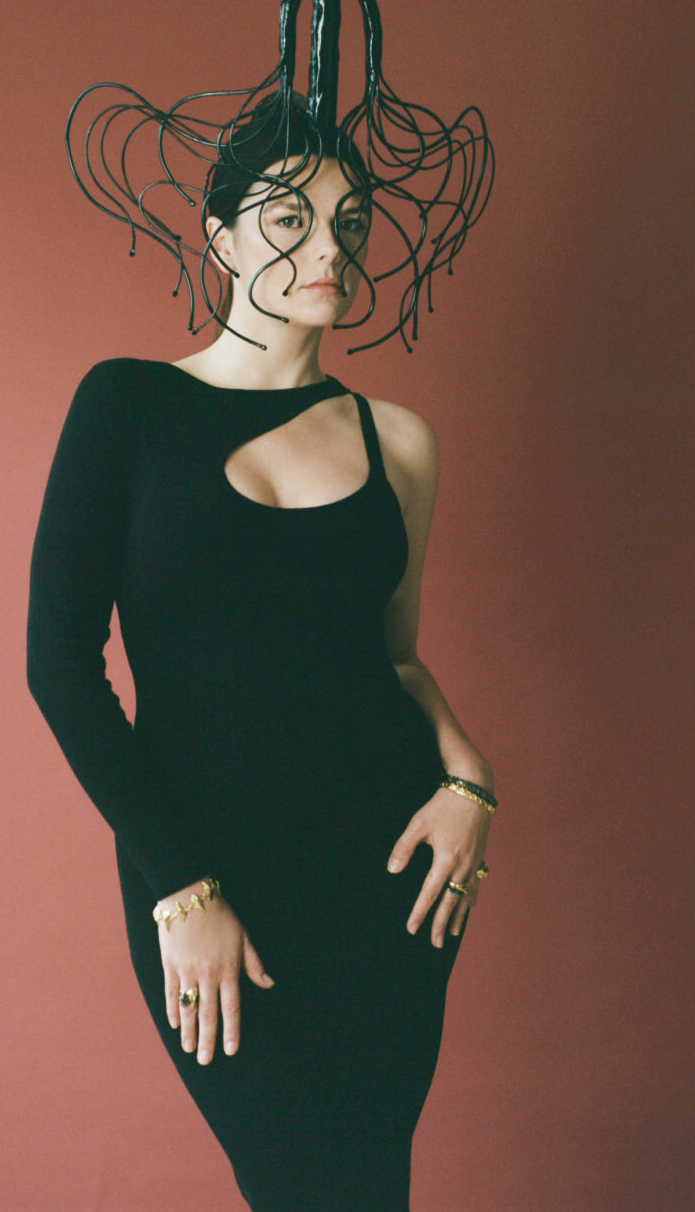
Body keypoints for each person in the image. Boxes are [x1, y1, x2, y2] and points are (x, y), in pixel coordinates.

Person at [27, 107, 496, 1211]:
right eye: (289, 218)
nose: (328, 247)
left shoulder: (399, 440)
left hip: (388, 871)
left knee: (369, 1182)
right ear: (220, 236)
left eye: (349, 221)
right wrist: (181, 888)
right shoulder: (127, 405)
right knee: (298, 1180)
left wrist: (472, 778)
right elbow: (59, 667)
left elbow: (392, 657)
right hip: (210, 867)